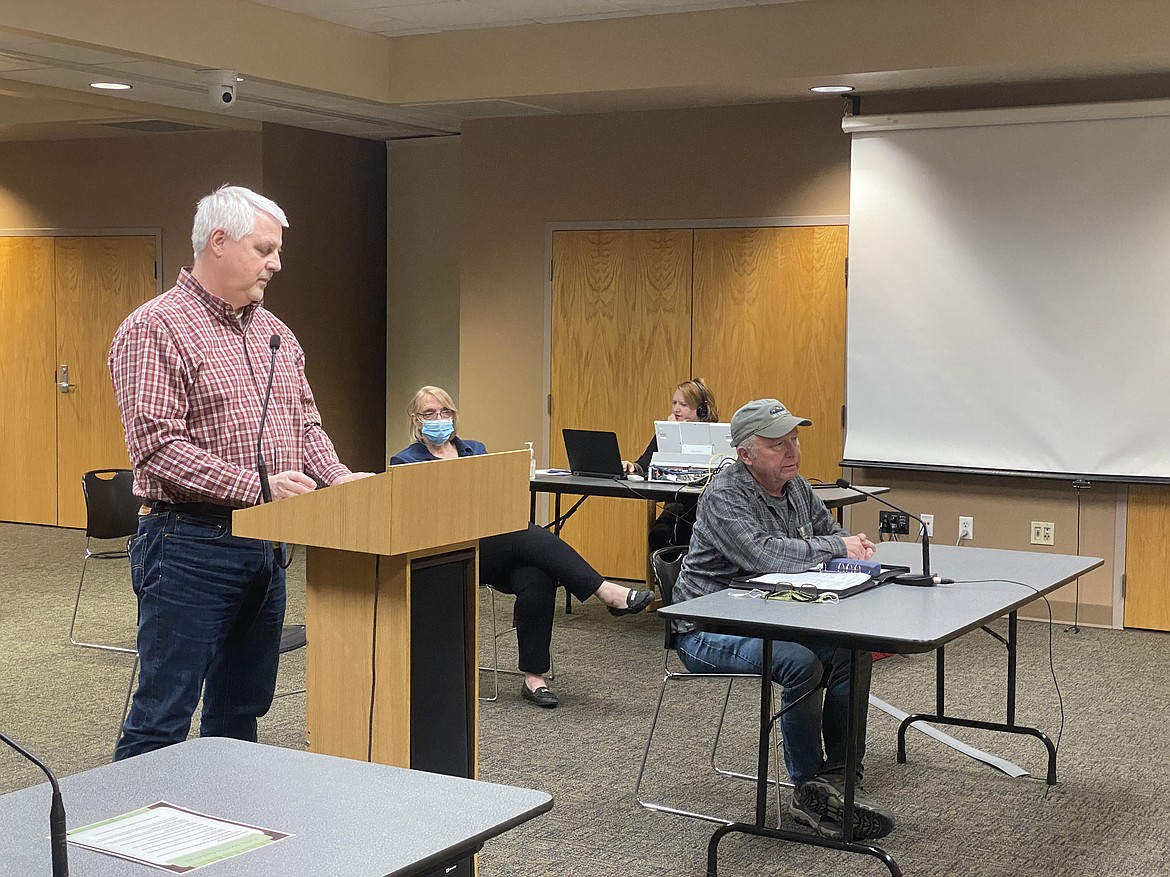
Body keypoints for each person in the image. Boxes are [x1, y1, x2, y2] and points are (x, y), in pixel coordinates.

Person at [108, 185, 372, 761]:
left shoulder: (276, 333)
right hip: (187, 544)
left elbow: (304, 423)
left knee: (241, 709)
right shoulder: (155, 329)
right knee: (164, 715)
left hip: (262, 548)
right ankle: (122, 847)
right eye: (265, 248)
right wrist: (257, 488)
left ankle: (223, 836)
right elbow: (157, 451)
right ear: (219, 242)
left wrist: (336, 478)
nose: (277, 262)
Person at [671, 398, 894, 841]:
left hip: (772, 614)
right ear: (746, 454)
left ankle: (840, 777)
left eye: (794, 439)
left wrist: (836, 547)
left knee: (853, 651)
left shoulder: (795, 486)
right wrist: (834, 549)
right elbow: (763, 555)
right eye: (778, 444)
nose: (793, 451)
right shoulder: (725, 494)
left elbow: (830, 533)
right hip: (708, 626)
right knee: (799, 662)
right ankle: (806, 789)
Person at [391, 386, 654, 708]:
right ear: (416, 421)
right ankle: (604, 591)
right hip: (444, 549)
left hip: (489, 543)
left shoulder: (475, 450)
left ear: (454, 417)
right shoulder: (405, 461)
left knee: (537, 574)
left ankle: (534, 677)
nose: (439, 419)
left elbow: (494, 501)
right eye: (429, 414)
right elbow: (413, 521)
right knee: (522, 531)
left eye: (445, 412)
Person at [621, 378, 719, 550]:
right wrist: (632, 467)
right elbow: (644, 464)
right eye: (674, 403)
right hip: (676, 511)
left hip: (707, 514)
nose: (676, 409)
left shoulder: (716, 435)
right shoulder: (667, 431)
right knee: (661, 535)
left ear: (702, 410)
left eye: (684, 405)